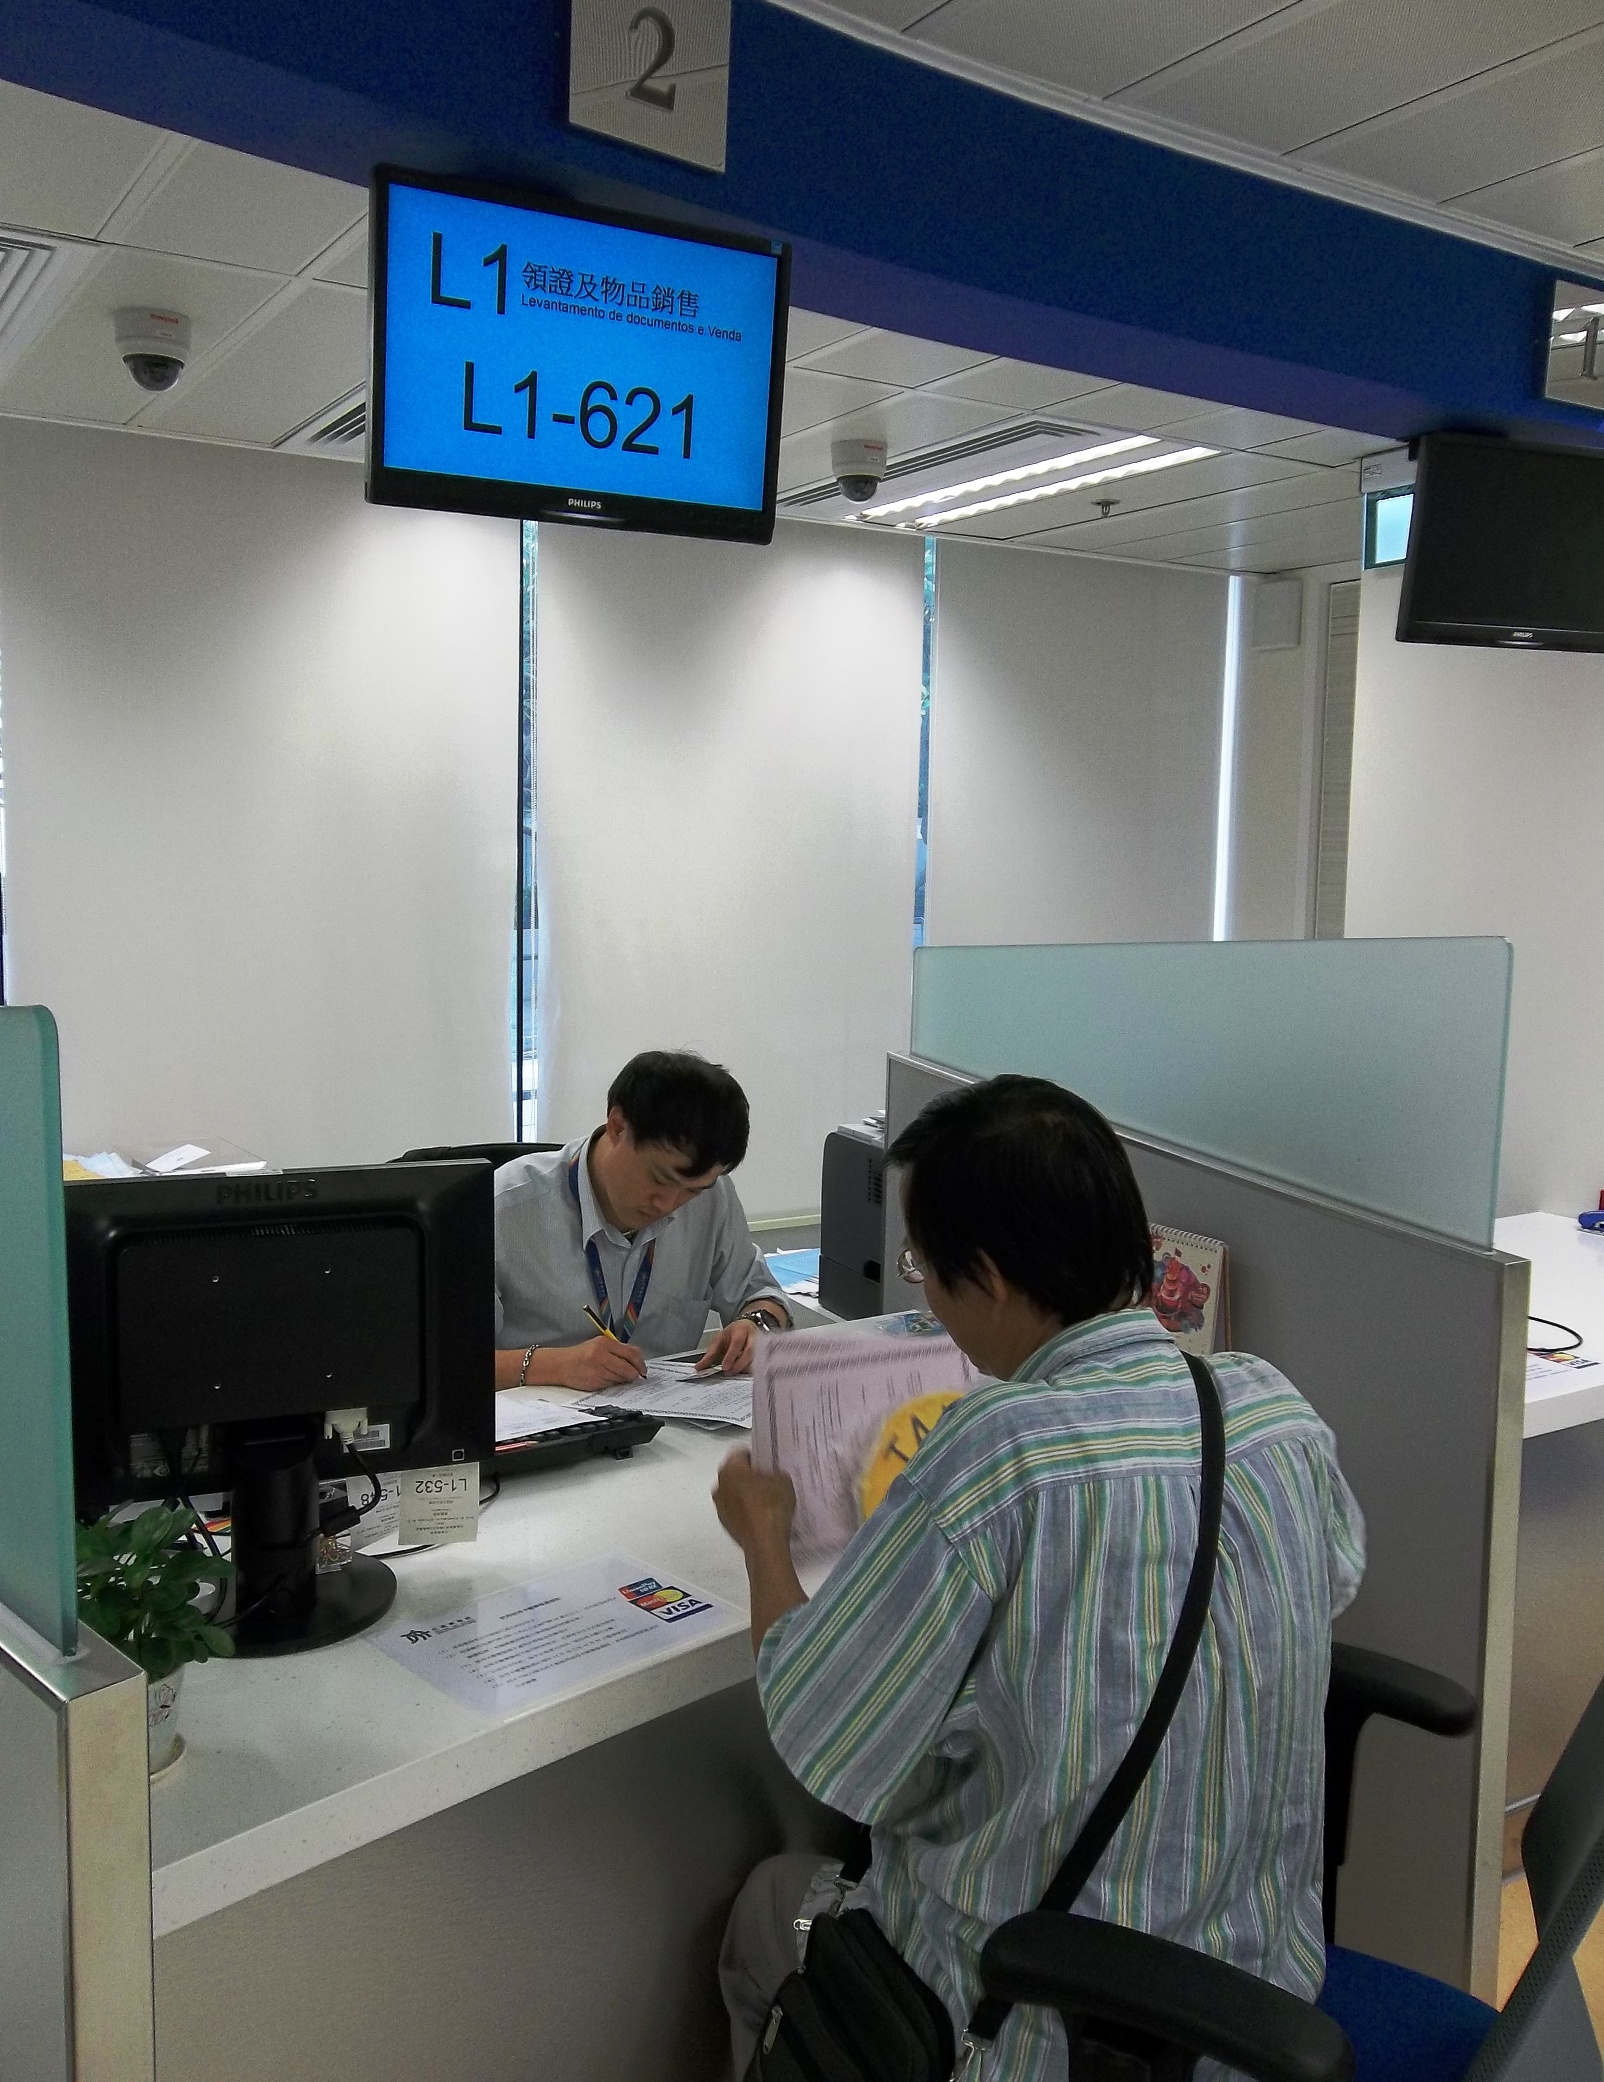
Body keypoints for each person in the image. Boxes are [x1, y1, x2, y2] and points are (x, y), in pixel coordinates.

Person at [713, 1074, 1365, 2082]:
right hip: (1253, 2002)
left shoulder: (1002, 1452)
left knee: (767, 1908)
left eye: (924, 1268)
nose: (924, 1297)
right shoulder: (1271, 1410)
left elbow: (816, 1723)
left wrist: (763, 1537)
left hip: (1029, 2026)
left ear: (989, 1278)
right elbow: (1322, 1584)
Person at [494, 1050, 791, 1393]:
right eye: (660, 1179)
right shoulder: (504, 1207)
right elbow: (449, 1362)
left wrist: (757, 1323)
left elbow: (759, 1292)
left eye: (691, 1190)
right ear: (618, 1127)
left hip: (666, 1413)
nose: (668, 1204)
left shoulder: (712, 1197)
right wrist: (554, 1365)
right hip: (541, 1416)